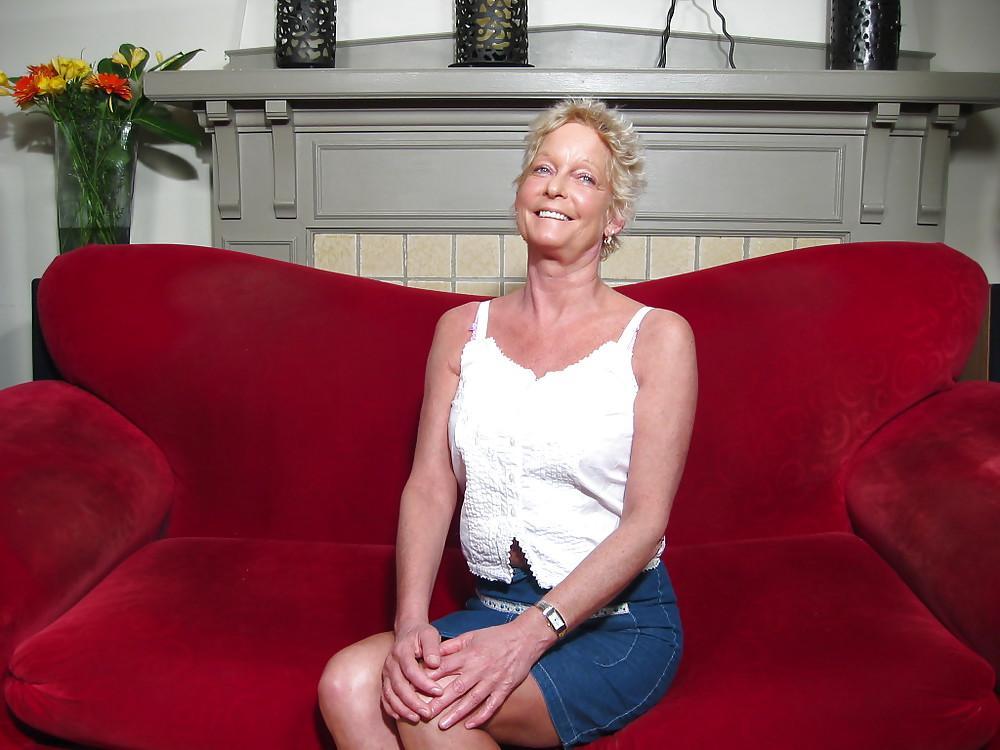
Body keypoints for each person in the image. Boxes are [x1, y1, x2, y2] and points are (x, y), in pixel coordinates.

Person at [318, 98, 698, 749]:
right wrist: (410, 622)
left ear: (614, 217)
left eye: (584, 176)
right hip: (493, 605)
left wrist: (529, 635)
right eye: (543, 168)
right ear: (520, 192)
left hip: (617, 621)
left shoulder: (657, 337)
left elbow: (646, 523)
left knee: (432, 709)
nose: (556, 186)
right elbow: (430, 485)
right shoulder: (461, 330)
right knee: (347, 684)